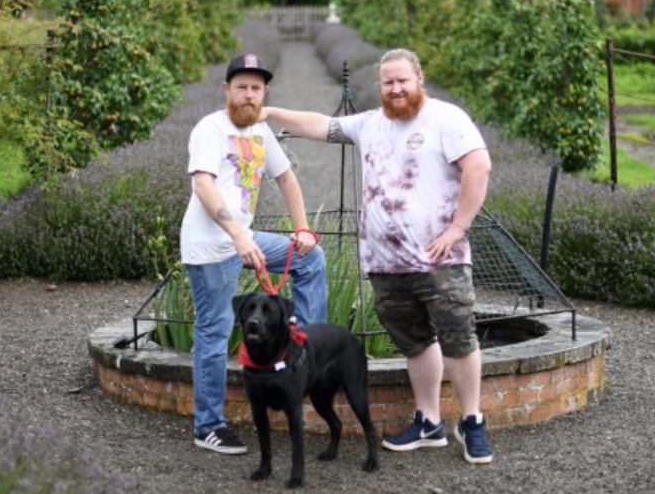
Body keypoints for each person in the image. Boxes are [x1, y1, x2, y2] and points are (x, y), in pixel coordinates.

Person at [262, 48, 493, 464]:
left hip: (440, 260)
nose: (396, 88)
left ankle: (472, 422)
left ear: (419, 78)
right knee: (416, 343)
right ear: (380, 85)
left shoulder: (446, 118)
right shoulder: (370, 123)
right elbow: (321, 125)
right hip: (386, 263)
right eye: (388, 82)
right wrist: (271, 111)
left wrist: (457, 228)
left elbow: (479, 167)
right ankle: (428, 422)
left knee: (458, 338)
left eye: (403, 80)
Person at [181, 53, 327, 455]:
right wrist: (237, 236)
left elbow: (286, 178)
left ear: (264, 94)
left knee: (310, 259)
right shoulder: (210, 128)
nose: (249, 95)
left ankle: (304, 353)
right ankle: (208, 425)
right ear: (227, 89)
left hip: (242, 237)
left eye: (257, 88)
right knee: (215, 330)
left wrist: (302, 230)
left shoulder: (261, 132)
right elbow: (204, 187)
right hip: (211, 247)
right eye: (242, 87)